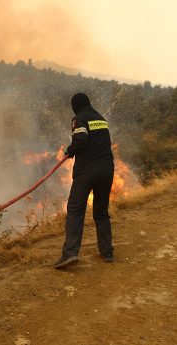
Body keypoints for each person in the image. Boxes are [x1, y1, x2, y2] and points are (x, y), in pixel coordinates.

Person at [54, 93, 114, 269]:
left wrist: (70, 150)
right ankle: (107, 252)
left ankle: (70, 254)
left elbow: (80, 139)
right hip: (107, 170)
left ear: (76, 106)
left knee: (75, 210)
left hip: (87, 172)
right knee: (101, 212)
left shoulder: (79, 118)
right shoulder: (101, 118)